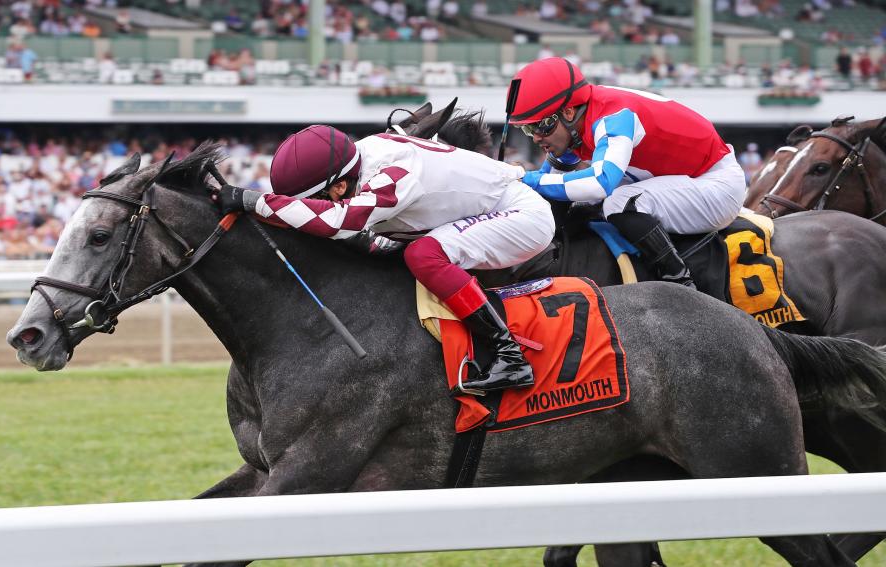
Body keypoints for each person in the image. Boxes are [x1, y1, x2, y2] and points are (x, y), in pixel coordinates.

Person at [214, 125, 555, 393]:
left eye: (318, 197)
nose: (319, 202)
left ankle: (510, 356)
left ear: (337, 188)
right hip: (477, 211)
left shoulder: (396, 173)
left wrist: (253, 200)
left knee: (424, 255)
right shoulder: (361, 159)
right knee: (384, 249)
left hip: (521, 216)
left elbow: (340, 222)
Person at [510, 57, 746, 288]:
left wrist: (523, 176)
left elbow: (599, 183)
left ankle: (679, 279)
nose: (537, 137)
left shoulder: (613, 118)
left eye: (542, 126)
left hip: (716, 185)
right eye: (528, 130)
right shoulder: (577, 124)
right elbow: (548, 184)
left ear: (569, 113)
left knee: (617, 202)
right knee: (582, 199)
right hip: (681, 178)